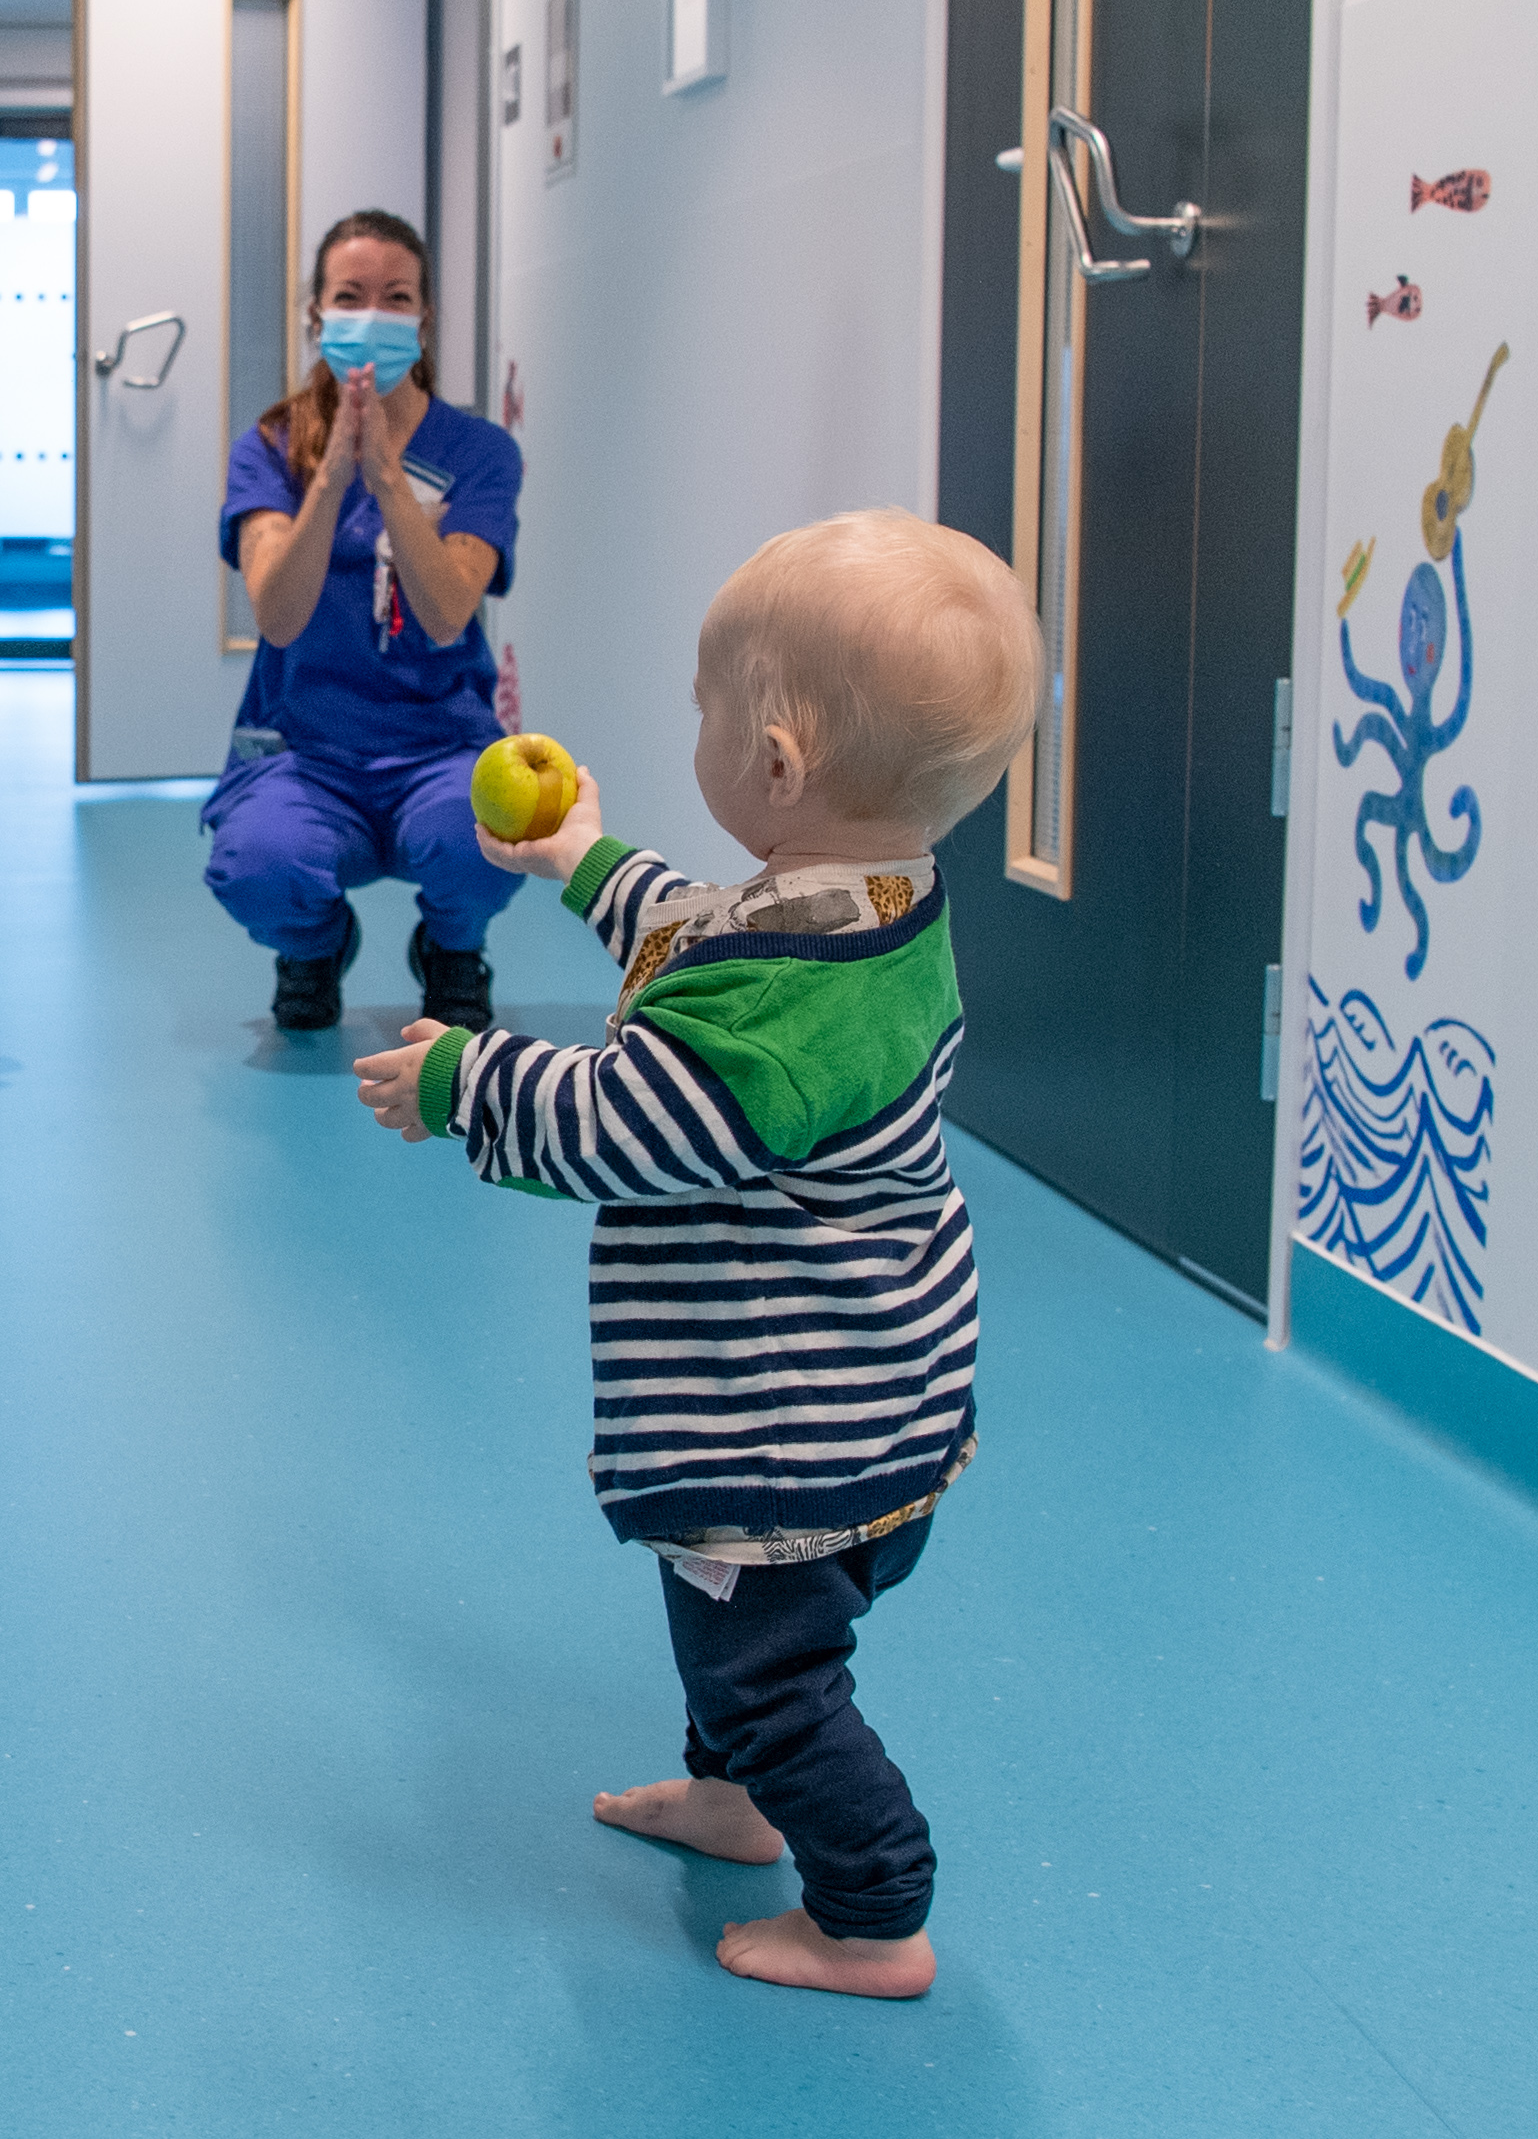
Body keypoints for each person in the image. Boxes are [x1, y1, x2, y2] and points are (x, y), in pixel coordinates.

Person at [350, 509, 1045, 2000]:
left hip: (783, 1428)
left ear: (776, 764)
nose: (700, 735)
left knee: (768, 1673)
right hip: (883, 1387)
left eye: (707, 712)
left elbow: (629, 1122)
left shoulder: (782, 1001)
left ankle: (873, 1912)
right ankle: (731, 1805)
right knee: (719, 1625)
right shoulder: (871, 896)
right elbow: (706, 930)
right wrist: (583, 853)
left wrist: (460, 1082)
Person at [203, 210, 522, 1034]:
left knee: (490, 838)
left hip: (439, 740)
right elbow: (276, 615)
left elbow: (450, 611)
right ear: (315, 316)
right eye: (349, 297)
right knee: (257, 866)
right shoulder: (270, 445)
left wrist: (387, 480)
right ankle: (313, 943)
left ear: (424, 319)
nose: (372, 316)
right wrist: (333, 469)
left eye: (397, 297)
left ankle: (453, 947)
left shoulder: (480, 451)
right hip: (307, 747)